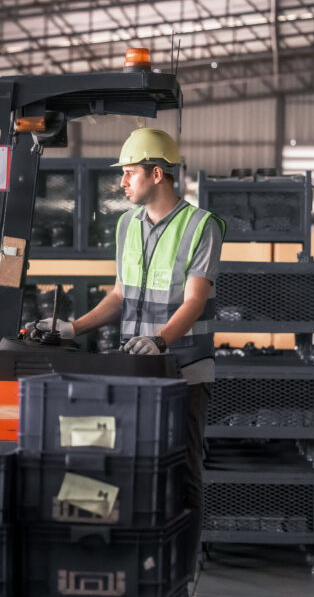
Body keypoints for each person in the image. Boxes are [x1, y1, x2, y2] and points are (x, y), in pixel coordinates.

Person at [33, 127, 225, 573]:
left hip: (184, 371)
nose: (122, 183)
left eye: (129, 173)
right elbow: (120, 296)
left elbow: (194, 300)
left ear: (157, 174)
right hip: (134, 371)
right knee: (130, 467)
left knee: (185, 473)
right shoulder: (126, 226)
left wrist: (161, 340)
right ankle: (139, 559)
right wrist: (72, 327)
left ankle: (183, 567)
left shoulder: (202, 226)